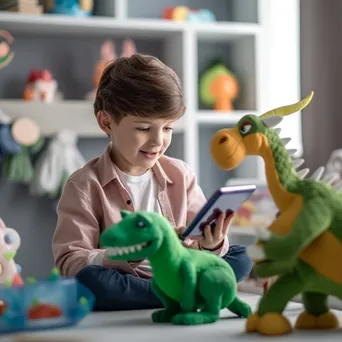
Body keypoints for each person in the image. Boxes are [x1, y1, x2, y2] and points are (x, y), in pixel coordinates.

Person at [52, 53, 253, 311]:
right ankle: (177, 296)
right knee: (90, 280)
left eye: (167, 128)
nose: (158, 141)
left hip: (181, 273)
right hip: (129, 282)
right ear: (106, 122)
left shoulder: (181, 175)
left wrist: (211, 244)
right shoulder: (84, 185)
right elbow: (69, 260)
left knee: (241, 257)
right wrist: (120, 255)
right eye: (144, 128)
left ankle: (179, 292)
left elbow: (197, 249)